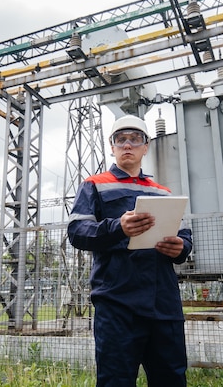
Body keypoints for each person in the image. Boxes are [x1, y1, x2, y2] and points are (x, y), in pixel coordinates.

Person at [67, 114, 192, 387]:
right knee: (116, 381)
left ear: (145, 146)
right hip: (117, 303)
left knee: (171, 378)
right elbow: (77, 233)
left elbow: (184, 235)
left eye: (135, 139)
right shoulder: (94, 185)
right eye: (120, 139)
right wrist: (117, 227)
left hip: (164, 303)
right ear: (111, 146)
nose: (127, 145)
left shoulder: (163, 192)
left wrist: (181, 247)